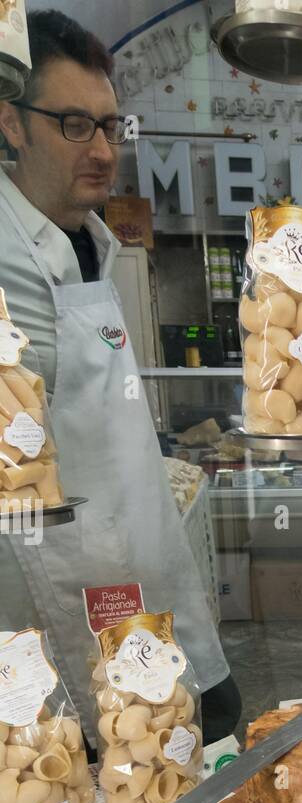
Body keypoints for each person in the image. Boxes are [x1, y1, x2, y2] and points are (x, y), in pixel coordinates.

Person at [0, 10, 240, 744]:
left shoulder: (93, 241)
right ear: (10, 124)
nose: (102, 149)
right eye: (75, 124)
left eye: (111, 126)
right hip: (58, 589)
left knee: (215, 725)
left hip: (143, 567)